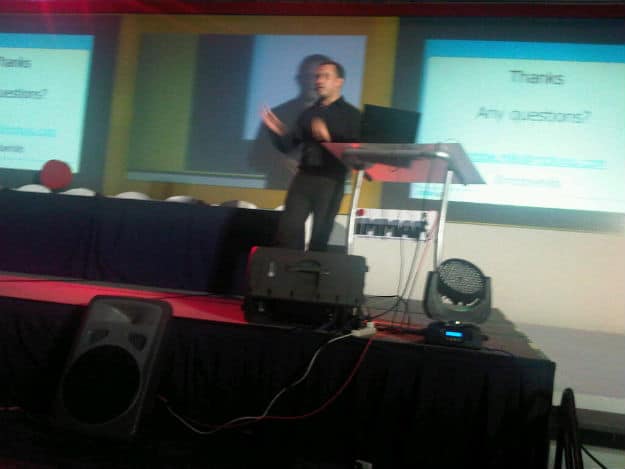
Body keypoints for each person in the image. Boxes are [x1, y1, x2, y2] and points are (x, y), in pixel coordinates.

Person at [262, 60, 361, 251]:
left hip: (331, 181)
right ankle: (289, 269)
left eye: (325, 76)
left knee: (319, 239)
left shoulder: (352, 115)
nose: (319, 81)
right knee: (288, 232)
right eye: (317, 76)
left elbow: (355, 154)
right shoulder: (308, 113)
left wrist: (329, 139)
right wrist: (276, 131)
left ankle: (311, 270)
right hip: (303, 179)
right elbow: (288, 146)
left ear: (339, 82)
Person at [248, 54, 330, 190]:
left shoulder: (341, 118)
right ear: (299, 80)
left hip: (322, 194)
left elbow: (349, 167)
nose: (313, 82)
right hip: (279, 192)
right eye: (308, 76)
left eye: (319, 76)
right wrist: (281, 161)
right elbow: (255, 159)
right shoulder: (276, 115)